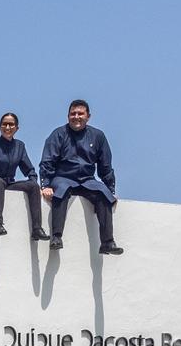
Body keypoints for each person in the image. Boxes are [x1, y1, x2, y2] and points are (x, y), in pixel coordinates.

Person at [39, 98, 123, 254]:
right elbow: (47, 161)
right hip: (63, 177)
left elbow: (105, 166)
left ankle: (107, 242)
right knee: (61, 192)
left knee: (104, 195)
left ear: (88, 116)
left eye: (80, 114)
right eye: (73, 113)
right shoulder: (58, 134)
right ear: (68, 116)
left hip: (87, 180)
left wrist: (110, 189)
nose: (76, 117)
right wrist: (45, 184)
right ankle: (56, 237)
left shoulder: (98, 136)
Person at [0, 112, 48, 239]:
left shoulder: (20, 146)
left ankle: (37, 229)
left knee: (33, 186)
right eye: (4, 124)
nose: (7, 127)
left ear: (17, 128)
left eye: (11, 124)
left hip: (9, 183)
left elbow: (30, 170)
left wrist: (35, 182)